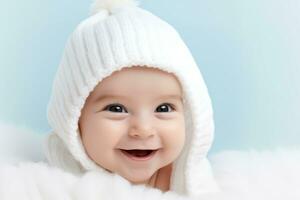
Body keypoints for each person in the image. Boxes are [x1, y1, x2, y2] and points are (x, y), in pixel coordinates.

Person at [44, 0, 219, 197]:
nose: (143, 130)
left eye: (163, 108)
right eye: (116, 109)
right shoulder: (55, 185)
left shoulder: (192, 182)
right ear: (74, 121)